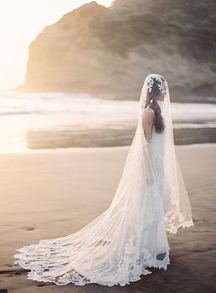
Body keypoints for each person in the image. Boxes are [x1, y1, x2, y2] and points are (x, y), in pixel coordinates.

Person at [14, 74, 194, 287]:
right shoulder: (149, 112)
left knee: (154, 206)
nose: (166, 92)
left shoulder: (159, 111)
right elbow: (144, 145)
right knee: (145, 205)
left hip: (157, 164)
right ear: (155, 90)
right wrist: (148, 171)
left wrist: (158, 168)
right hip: (149, 167)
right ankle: (139, 248)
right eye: (163, 89)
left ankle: (151, 246)